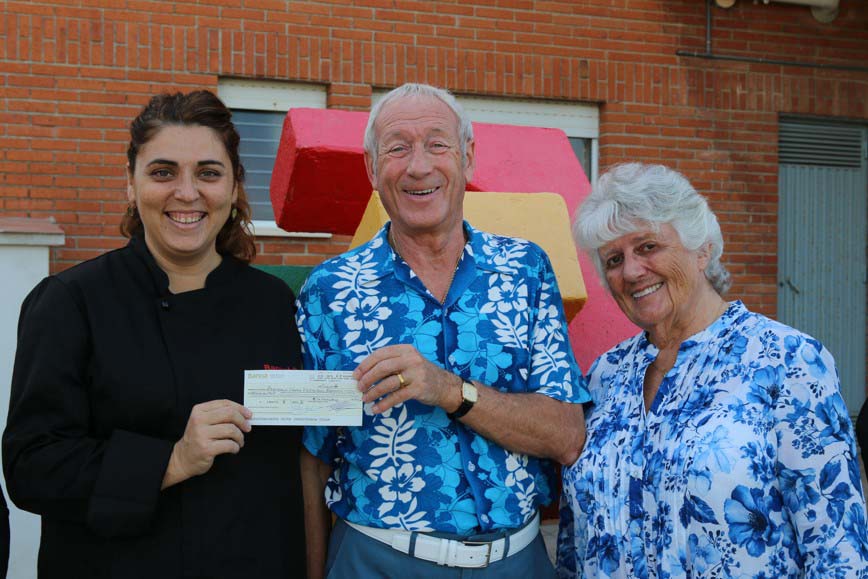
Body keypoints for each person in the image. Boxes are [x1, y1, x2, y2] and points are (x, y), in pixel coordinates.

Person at [3, 91, 306, 578]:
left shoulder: (274, 304)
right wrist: (172, 459)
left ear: (233, 188)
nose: (186, 192)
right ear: (131, 184)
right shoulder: (70, 301)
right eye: (163, 172)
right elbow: (32, 467)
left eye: (208, 173)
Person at [297, 83, 590, 578]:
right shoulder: (328, 290)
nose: (418, 166)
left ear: (468, 157)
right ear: (371, 168)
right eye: (397, 148)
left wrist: (450, 390)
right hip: (376, 561)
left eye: (437, 144)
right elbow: (314, 457)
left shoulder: (525, 269)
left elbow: (567, 436)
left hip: (516, 562)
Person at [557, 162, 868, 577]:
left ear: (702, 249)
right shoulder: (603, 375)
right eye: (614, 259)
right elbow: (573, 544)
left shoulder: (786, 359)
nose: (631, 271)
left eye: (648, 246)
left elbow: (837, 550)